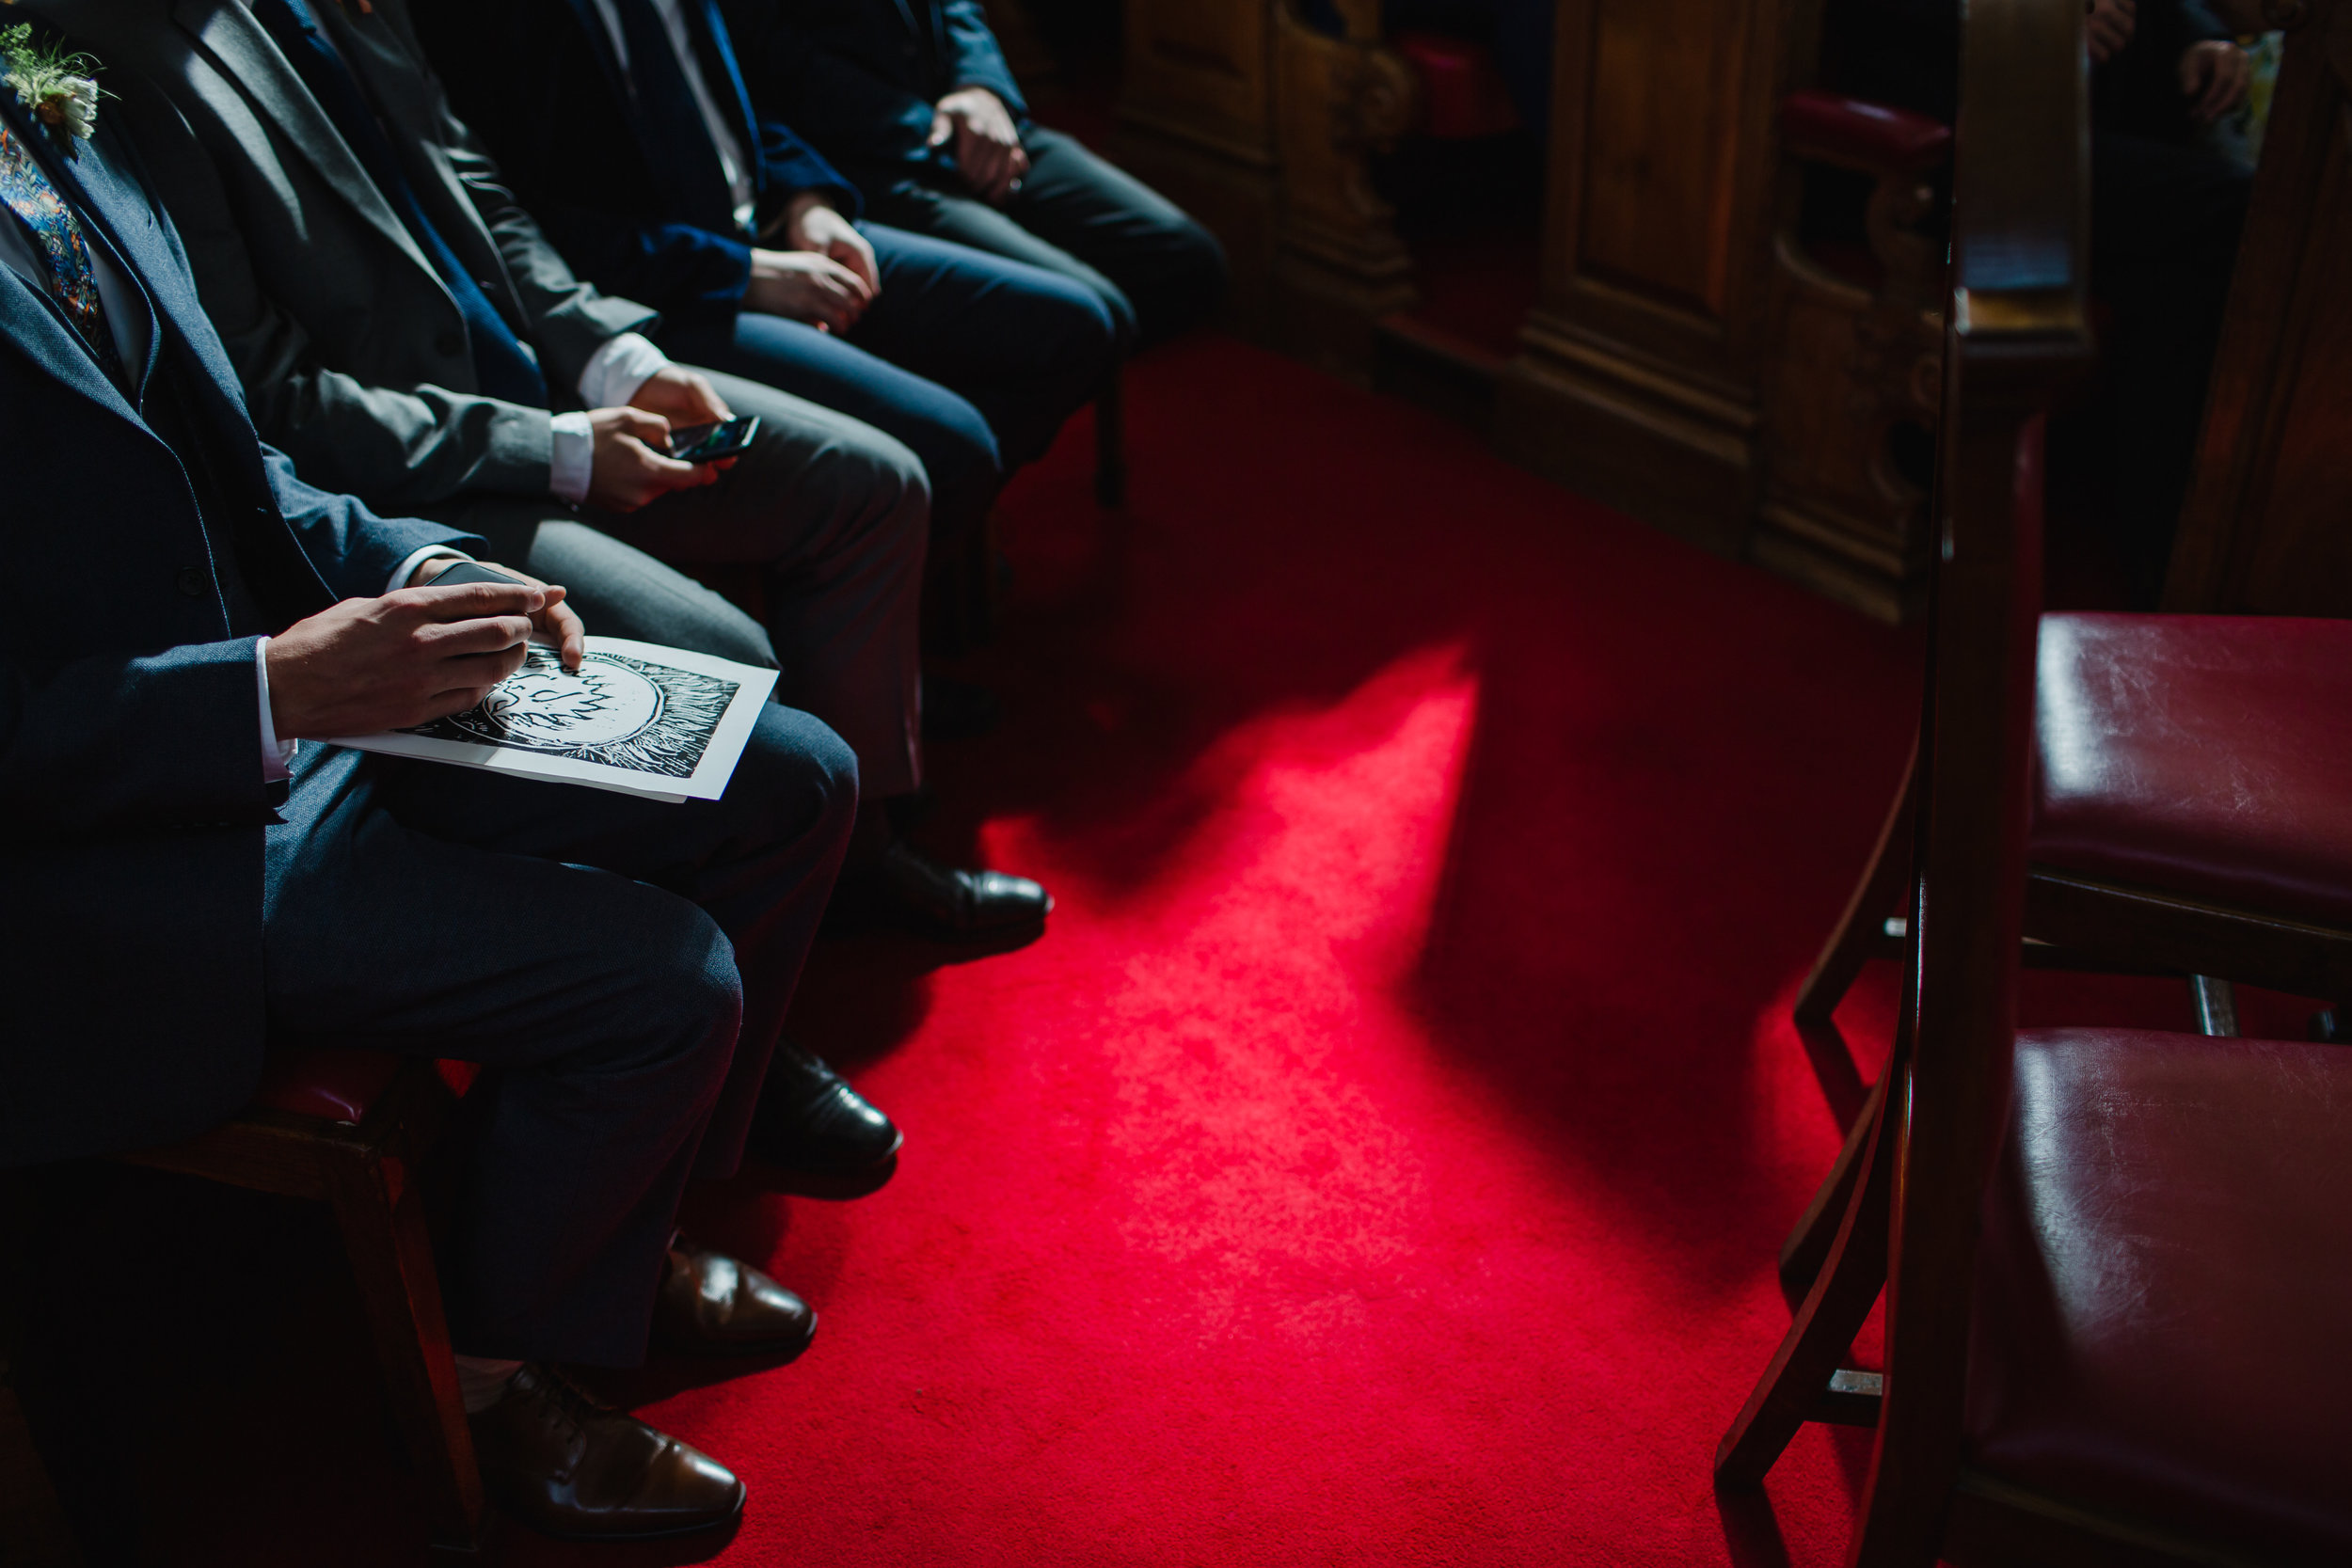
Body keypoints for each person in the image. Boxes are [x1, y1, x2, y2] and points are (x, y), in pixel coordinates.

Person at [0, 51, 845, 1537]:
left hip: (297, 705)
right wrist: (263, 692)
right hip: (111, 849)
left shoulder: (54, 112)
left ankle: (616, 1222)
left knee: (794, 778)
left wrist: (415, 565)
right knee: (666, 982)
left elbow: (237, 464)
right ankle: (492, 1382)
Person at [40, 0, 1057, 987]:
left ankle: (862, 858)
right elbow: (275, 404)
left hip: (542, 368)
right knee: (724, 658)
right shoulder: (118, 47)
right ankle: (754, 971)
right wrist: (559, 448)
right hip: (419, 470)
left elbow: (476, 186)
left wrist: (610, 359)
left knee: (870, 485)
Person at [411, 0, 1117, 589]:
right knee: (954, 444)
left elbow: (742, 106)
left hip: (773, 224)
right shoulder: (491, 15)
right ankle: (875, 577)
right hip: (672, 290)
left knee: (1075, 324)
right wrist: (745, 273)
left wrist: (810, 201)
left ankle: (917, 562)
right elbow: (544, 230)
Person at [1830, 0, 2252, 604]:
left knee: (2209, 237)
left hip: (2091, 116)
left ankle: (2171, 564)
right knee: (2226, 213)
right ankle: (2160, 567)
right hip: (1956, 125)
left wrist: (2201, 38)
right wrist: (2036, 24)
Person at [724, 0, 1225, 355]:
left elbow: (956, 8)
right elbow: (771, 62)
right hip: (865, 163)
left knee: (1185, 257)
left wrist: (982, 87)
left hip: (975, 114)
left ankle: (1065, 377)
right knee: (1093, 311)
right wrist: (938, 133)